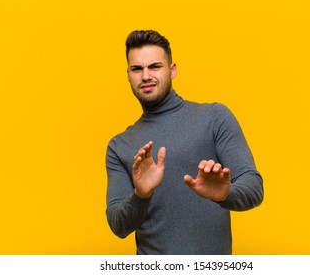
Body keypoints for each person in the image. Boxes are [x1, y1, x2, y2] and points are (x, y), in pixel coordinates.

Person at [106, 30, 263, 255]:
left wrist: (225, 194)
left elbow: (254, 189)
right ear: (128, 75)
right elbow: (118, 225)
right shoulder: (119, 146)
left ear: (172, 70)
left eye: (155, 66)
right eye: (137, 69)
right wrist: (140, 196)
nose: (146, 75)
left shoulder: (214, 117)